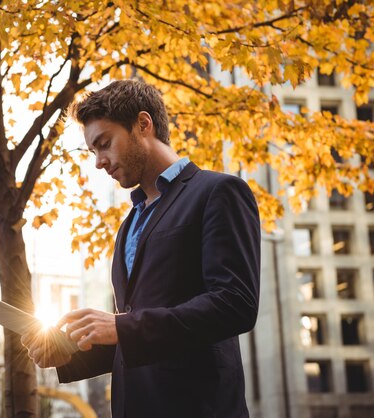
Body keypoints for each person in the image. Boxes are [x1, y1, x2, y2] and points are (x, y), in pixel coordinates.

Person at [21, 79, 260, 418]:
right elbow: (141, 332)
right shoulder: (129, 224)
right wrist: (73, 353)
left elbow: (235, 304)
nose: (99, 162)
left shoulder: (218, 192)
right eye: (93, 152)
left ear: (143, 125)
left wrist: (120, 326)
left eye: (104, 144)